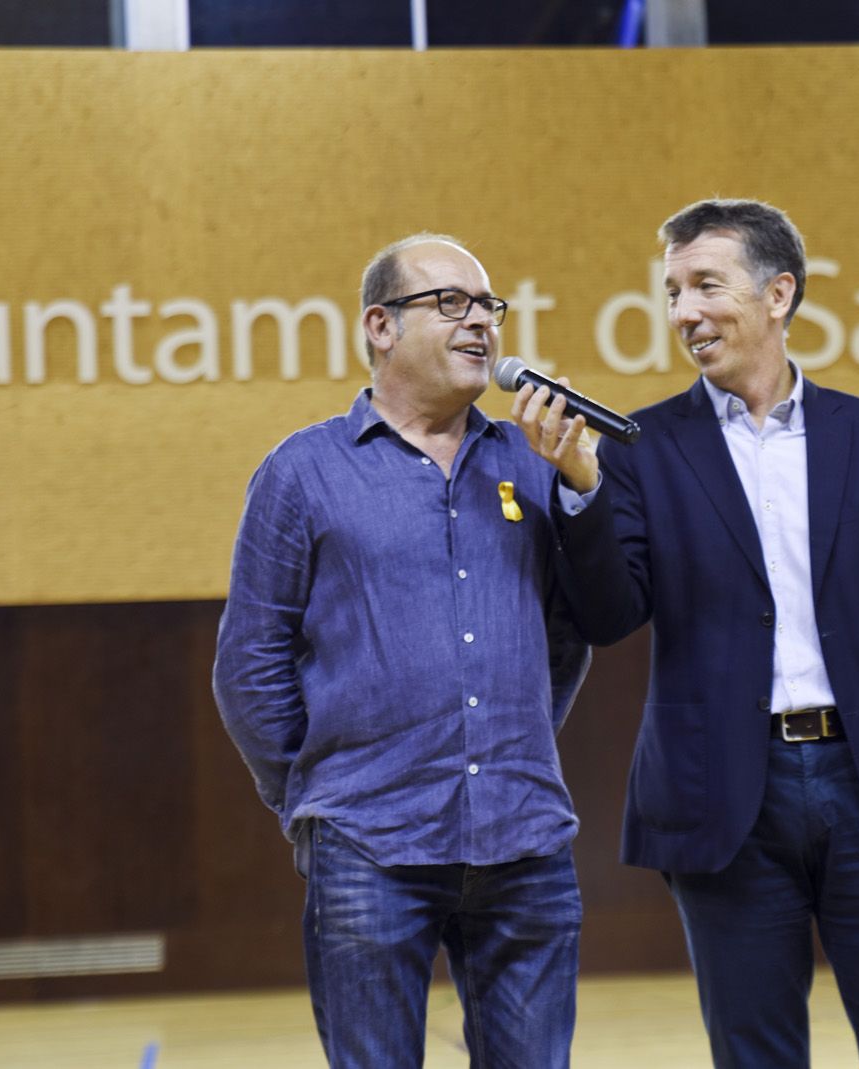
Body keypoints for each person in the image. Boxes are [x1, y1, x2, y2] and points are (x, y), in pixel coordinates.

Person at [513, 199, 859, 1068]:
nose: (683, 312)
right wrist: (581, 487)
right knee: (755, 1056)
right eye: (672, 291)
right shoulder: (640, 448)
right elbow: (608, 615)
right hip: (724, 800)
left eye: (705, 285)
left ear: (778, 293)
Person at [213, 233, 595, 1069]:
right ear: (380, 326)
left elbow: (567, 636)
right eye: (450, 302)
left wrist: (510, 741)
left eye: (488, 307)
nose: (480, 325)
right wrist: (318, 793)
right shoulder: (303, 472)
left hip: (523, 841)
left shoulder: (529, 466)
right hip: (368, 844)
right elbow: (250, 667)